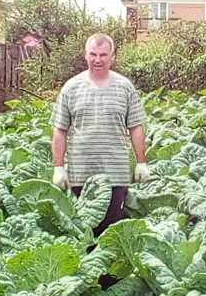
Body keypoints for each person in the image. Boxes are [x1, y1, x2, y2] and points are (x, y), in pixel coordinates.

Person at [50, 33, 150, 236]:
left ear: (112, 56)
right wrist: (58, 167)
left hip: (116, 174)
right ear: (85, 55)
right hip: (81, 175)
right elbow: (59, 130)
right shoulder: (71, 88)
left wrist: (141, 162)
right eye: (93, 54)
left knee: (112, 235)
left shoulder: (125, 87)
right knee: (83, 234)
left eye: (103, 54)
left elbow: (136, 127)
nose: (98, 59)